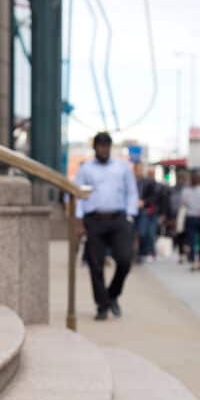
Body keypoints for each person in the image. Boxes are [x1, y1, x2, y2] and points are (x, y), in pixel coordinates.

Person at [73, 132, 138, 321]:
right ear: (95, 148)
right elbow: (77, 195)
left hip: (118, 219)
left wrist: (130, 216)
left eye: (106, 146)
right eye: (100, 146)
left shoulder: (122, 167)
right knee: (95, 264)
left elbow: (131, 192)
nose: (103, 149)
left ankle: (112, 295)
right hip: (94, 219)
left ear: (110, 147)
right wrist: (79, 221)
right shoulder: (85, 169)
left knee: (125, 260)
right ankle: (102, 305)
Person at [135, 165, 166, 263]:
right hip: (136, 211)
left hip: (148, 211)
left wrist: (144, 202)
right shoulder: (133, 182)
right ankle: (142, 253)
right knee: (141, 233)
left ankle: (149, 253)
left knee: (149, 233)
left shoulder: (149, 183)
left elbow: (156, 198)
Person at [168, 169, 190, 263]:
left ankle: (181, 253)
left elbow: (169, 203)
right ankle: (185, 253)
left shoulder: (173, 189)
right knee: (186, 234)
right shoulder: (188, 189)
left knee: (180, 234)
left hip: (177, 214)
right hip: (186, 214)